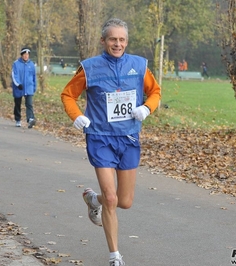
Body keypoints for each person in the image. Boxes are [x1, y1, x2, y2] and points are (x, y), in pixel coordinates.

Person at [61, 18, 161, 266]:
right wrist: (78, 116)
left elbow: (155, 92)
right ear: (103, 41)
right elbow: (68, 95)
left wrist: (147, 109)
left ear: (126, 41)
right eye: (113, 39)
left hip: (128, 137)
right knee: (112, 198)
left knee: (125, 201)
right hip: (100, 138)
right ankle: (115, 256)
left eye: (122, 39)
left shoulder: (139, 65)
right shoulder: (90, 67)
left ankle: (93, 200)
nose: (118, 44)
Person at [11, 47, 37, 128]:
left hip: (29, 87)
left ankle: (30, 119)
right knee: (17, 104)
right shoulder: (16, 64)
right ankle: (18, 119)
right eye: (25, 54)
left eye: (27, 54)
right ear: (22, 55)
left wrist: (34, 86)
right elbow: (14, 75)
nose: (26, 56)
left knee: (29, 104)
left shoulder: (31, 64)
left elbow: (34, 76)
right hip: (19, 87)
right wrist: (18, 84)